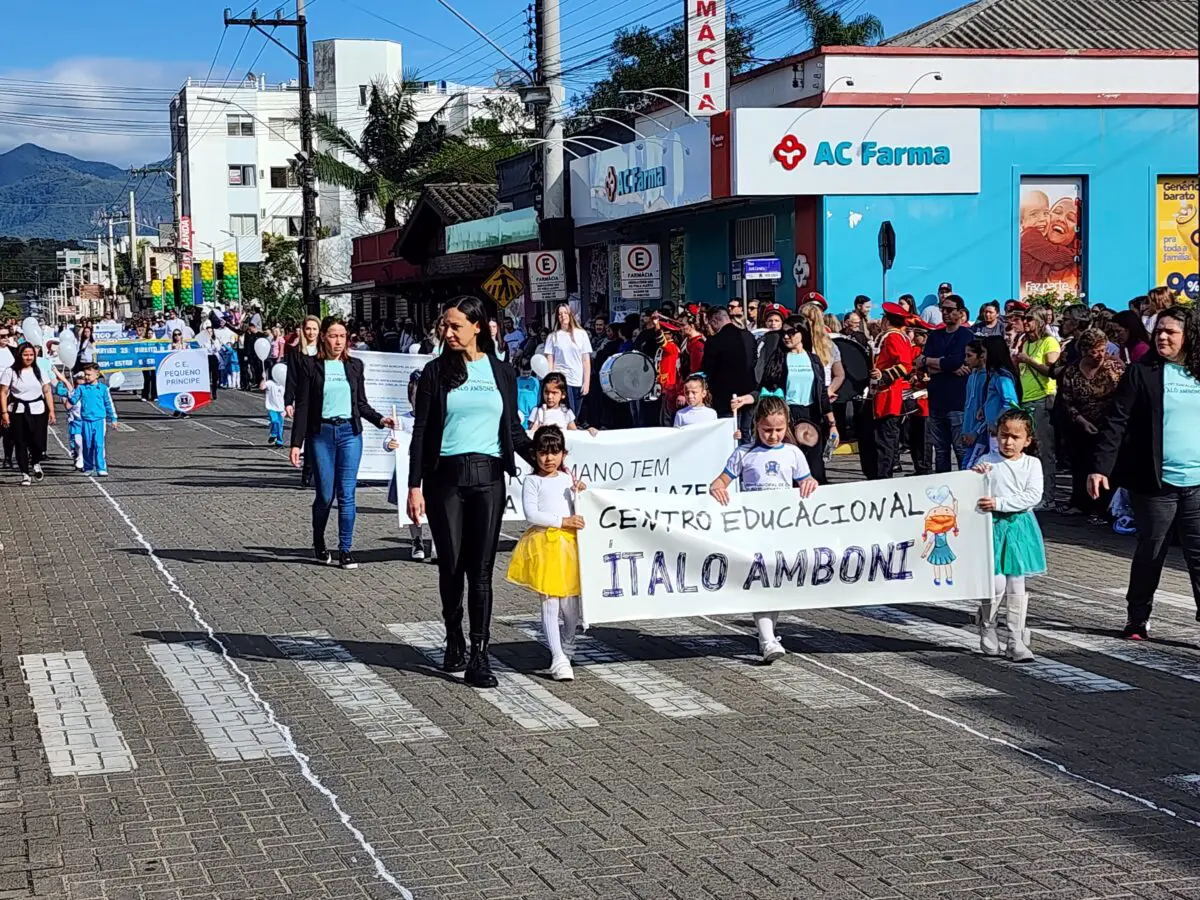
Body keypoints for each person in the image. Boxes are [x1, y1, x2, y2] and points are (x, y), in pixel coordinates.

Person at [407, 296, 537, 689]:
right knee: (451, 566)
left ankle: (480, 654)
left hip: (489, 478)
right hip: (445, 478)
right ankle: (453, 636)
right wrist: (414, 485)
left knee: (480, 571)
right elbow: (421, 432)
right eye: (444, 327)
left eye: (455, 326)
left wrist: (548, 460)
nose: (447, 333)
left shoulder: (501, 373)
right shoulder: (433, 373)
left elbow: (512, 430)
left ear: (477, 327)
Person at [1090, 306, 1200, 639]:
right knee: (1152, 549)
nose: (1163, 337)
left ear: (1189, 336)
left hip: (1197, 483)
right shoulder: (1142, 372)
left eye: (1171, 332)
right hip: (1155, 482)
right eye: (1159, 331)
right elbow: (1116, 421)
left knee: (1198, 557)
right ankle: (1138, 617)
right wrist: (1100, 468)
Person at [709, 396, 817, 663]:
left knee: (776, 582)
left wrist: (810, 483)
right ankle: (767, 639)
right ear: (756, 425)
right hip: (753, 529)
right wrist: (717, 487)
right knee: (761, 582)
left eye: (779, 430)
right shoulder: (744, 454)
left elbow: (806, 480)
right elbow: (720, 481)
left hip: (782, 529)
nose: (773, 435)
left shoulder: (793, 453)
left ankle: (767, 634)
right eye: (767, 429)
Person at [289, 316, 395, 570]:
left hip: (350, 433)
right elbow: (303, 407)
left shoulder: (355, 366)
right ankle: (318, 541)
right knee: (325, 495)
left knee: (347, 494)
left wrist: (381, 420)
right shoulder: (310, 366)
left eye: (343, 336)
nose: (339, 341)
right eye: (334, 335)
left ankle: (345, 549)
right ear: (323, 336)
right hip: (321, 435)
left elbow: (361, 404)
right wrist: (296, 443)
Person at [505, 425, 586, 681]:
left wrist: (583, 493)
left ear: (563, 453)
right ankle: (557, 656)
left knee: (571, 605)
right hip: (545, 545)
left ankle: (568, 641)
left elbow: (580, 507)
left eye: (554, 452)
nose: (548, 458)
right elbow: (532, 514)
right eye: (542, 452)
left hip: (570, 547)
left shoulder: (568, 479)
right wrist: (562, 520)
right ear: (535, 454)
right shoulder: (532, 481)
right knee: (550, 601)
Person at [974, 407, 1046, 662]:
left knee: (1017, 582)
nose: (1008, 441)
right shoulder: (987, 462)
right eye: (1004, 435)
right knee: (995, 583)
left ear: (1027, 440)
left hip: (1018, 528)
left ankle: (1015, 639)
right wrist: (976, 478)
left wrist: (1000, 503)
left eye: (1015, 437)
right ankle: (987, 625)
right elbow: (972, 489)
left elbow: (1033, 496)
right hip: (992, 527)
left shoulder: (1032, 464)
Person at [751, 316, 837, 482]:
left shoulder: (813, 359)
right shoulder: (779, 358)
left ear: (803, 333)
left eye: (791, 332)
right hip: (787, 414)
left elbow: (822, 393)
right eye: (784, 333)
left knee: (815, 467)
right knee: (790, 465)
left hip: (811, 414)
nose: (786, 336)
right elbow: (767, 388)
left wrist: (832, 424)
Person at [1058, 328, 1124, 522]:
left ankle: (1106, 508)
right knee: (1081, 465)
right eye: (1093, 351)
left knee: (1107, 465)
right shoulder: (1071, 371)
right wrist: (1081, 420)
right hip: (1081, 424)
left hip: (1110, 424)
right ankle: (1082, 504)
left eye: (1102, 350)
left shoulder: (1114, 368)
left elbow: (1125, 395)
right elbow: (1066, 401)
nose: (1098, 355)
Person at [918, 293, 973, 472]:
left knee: (960, 449)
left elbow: (956, 360)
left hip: (957, 402)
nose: (945, 313)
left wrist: (933, 362)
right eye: (943, 310)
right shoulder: (935, 335)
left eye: (950, 310)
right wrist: (944, 365)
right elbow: (922, 363)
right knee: (940, 451)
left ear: (960, 313)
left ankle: (965, 488)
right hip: (936, 400)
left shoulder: (966, 335)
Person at [385, 369, 436, 562]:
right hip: (409, 472)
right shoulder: (403, 420)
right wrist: (390, 444)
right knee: (413, 510)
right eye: (416, 396)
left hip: (432, 471)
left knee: (435, 507)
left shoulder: (436, 418)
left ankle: (437, 543)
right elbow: (390, 440)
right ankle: (417, 540)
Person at [1014, 308, 1060, 508]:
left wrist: (1029, 360)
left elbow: (1052, 370)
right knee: (1030, 450)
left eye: (1029, 319)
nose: (1026, 322)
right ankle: (1032, 493)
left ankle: (1048, 496)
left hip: (1043, 398)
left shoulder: (1048, 342)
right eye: (1024, 319)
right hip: (1027, 398)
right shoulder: (1026, 342)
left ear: (1040, 321)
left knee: (1045, 449)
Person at [870, 303, 917, 479]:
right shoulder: (897, 336)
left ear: (887, 320)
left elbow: (905, 365)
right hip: (887, 394)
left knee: (885, 440)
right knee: (885, 438)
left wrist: (883, 376)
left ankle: (884, 476)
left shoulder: (893, 337)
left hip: (888, 394)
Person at [0, 343, 56, 485]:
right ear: (20, 355)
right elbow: (3, 392)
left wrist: (52, 411)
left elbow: (47, 390)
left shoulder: (39, 371)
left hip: (38, 409)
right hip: (17, 410)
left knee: (37, 441)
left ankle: (35, 462)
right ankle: (25, 473)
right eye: (25, 355)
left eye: (31, 355)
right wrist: (4, 412)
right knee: (20, 442)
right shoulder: (10, 372)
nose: (29, 357)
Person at [701, 308, 758, 438]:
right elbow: (755, 360)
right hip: (749, 391)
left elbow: (708, 368)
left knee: (730, 434)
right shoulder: (748, 336)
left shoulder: (714, 341)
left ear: (714, 321)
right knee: (747, 432)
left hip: (725, 397)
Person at [286, 315, 321, 488]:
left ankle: (314, 469)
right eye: (308, 329)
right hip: (303, 398)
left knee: (318, 435)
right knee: (303, 432)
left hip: (322, 398)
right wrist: (288, 401)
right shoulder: (296, 353)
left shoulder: (324, 351)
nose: (311, 332)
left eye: (315, 329)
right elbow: (291, 378)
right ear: (303, 330)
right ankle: (306, 471)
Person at [543, 303, 592, 416]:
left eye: (565, 313)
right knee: (567, 413)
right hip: (561, 379)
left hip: (577, 379)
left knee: (576, 413)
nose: (563, 316)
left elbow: (585, 360)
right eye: (560, 314)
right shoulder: (553, 337)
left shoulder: (582, 334)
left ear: (570, 315)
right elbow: (550, 360)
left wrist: (586, 382)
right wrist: (550, 381)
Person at [71, 364, 117, 477]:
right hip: (86, 420)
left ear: (97, 375)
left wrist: (113, 418)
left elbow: (108, 404)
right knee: (87, 444)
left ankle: (101, 467)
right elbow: (73, 400)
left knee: (99, 444)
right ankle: (88, 467)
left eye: (89, 374)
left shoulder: (103, 389)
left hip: (99, 420)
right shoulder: (82, 388)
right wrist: (67, 392)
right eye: (85, 374)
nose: (86, 377)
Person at [264, 370, 286, 447]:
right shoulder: (270, 383)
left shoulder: (284, 384)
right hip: (271, 407)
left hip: (281, 408)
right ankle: (273, 434)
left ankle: (279, 442)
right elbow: (262, 387)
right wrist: (263, 378)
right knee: (274, 421)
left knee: (280, 425)